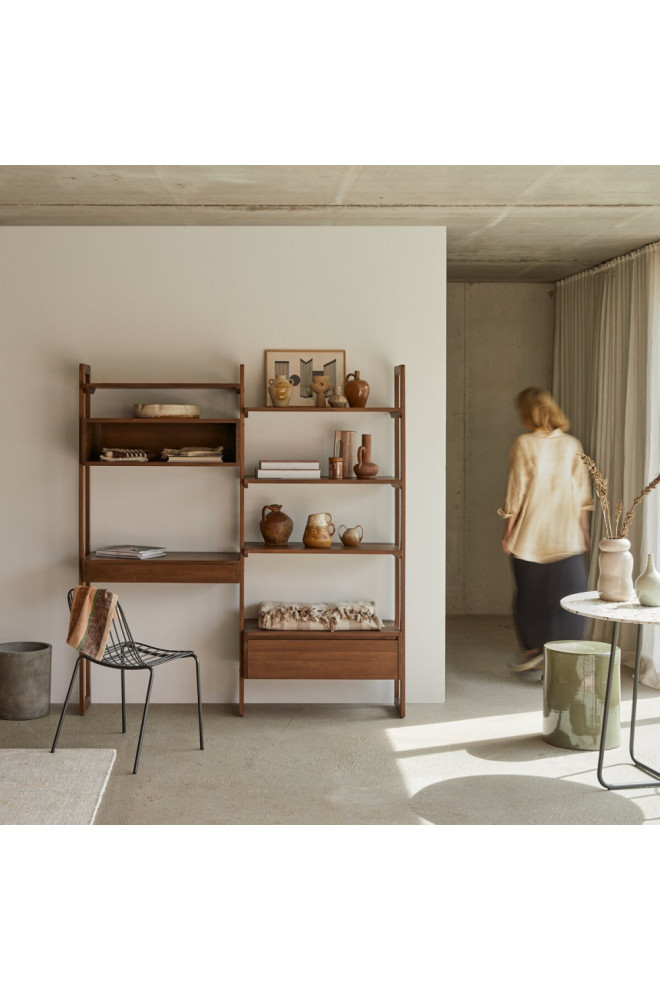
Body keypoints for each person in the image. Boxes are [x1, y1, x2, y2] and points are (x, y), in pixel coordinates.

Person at [498, 387, 593, 672]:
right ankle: (565, 657)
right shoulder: (572, 445)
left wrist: (508, 531)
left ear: (527, 413)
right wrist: (584, 531)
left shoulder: (524, 443)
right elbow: (581, 494)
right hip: (566, 536)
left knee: (530, 598)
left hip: (531, 536)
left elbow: (516, 491)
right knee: (569, 599)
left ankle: (533, 651)